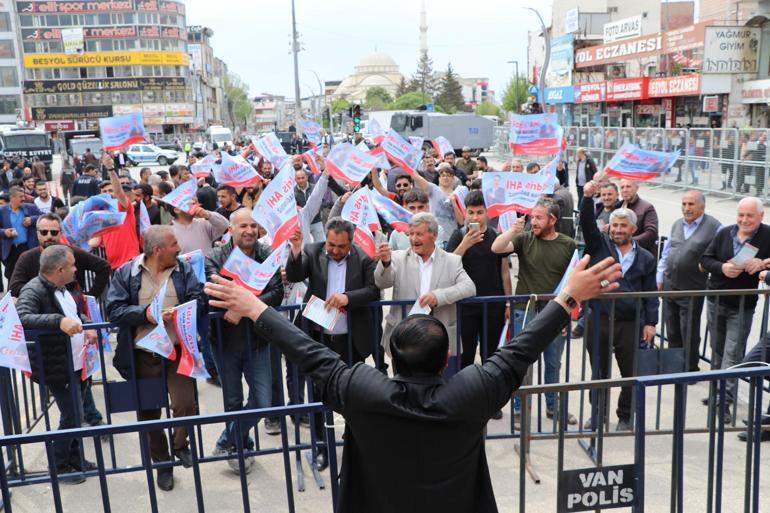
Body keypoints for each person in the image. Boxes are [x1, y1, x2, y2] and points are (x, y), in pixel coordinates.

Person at [204, 250, 621, 512]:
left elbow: (309, 354)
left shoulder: (363, 390)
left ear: (392, 357)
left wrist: (256, 308)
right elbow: (520, 350)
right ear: (445, 362)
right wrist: (568, 297)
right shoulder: (471, 391)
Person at [106, 225, 203, 492]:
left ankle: (180, 445)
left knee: (185, 404)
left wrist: (183, 311)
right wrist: (146, 314)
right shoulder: (126, 273)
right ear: (157, 250)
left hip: (176, 353)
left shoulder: (183, 269)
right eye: (174, 244)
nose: (179, 249)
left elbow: (199, 298)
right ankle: (162, 464)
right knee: (149, 415)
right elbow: (114, 310)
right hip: (142, 355)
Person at [285, 217, 380, 469]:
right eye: (331, 244)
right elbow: (295, 275)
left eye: (341, 246)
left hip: (350, 340)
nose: (335, 250)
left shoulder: (363, 258)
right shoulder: (313, 251)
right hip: (319, 338)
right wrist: (296, 249)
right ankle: (321, 446)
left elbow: (373, 290)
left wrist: (348, 298)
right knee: (319, 395)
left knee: (351, 393)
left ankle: (353, 443)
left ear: (351, 243)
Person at [204, 208, 283, 472]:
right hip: (224, 341)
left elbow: (277, 292)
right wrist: (244, 303)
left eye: (253, 226)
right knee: (233, 401)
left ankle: (227, 440)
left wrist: (243, 308)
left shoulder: (267, 255)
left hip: (258, 341)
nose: (249, 231)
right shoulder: (215, 257)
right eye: (243, 226)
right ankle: (240, 447)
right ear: (231, 230)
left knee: (263, 401)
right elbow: (214, 291)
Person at [491, 197, 578, 424]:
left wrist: (568, 315)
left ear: (553, 220)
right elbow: (497, 248)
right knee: (521, 362)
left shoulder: (568, 245)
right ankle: (519, 408)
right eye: (532, 217)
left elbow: (573, 280)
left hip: (555, 312)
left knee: (553, 363)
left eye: (539, 218)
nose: (534, 222)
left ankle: (553, 407)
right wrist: (513, 231)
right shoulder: (524, 238)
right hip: (525, 310)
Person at [580, 180, 658, 431]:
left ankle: (625, 417)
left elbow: (650, 293)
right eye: (615, 225)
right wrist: (587, 198)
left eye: (623, 226)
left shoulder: (646, 258)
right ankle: (597, 415)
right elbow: (587, 224)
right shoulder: (599, 246)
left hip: (630, 323)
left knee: (630, 372)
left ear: (633, 229)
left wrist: (650, 323)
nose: (618, 230)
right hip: (599, 318)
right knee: (599, 371)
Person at [17, 245, 99, 483]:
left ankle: (76, 459)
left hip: (77, 362)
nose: (76, 269)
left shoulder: (65, 288)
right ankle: (59, 466)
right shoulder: (33, 289)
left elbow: (75, 315)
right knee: (72, 415)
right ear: (60, 269)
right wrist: (58, 321)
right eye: (72, 265)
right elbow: (22, 317)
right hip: (57, 366)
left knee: (76, 414)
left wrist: (86, 325)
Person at [374, 212, 476, 368]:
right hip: (403, 340)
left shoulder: (452, 260)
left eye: (419, 234)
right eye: (411, 234)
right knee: (404, 383)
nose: (414, 239)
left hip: (438, 340)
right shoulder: (397, 258)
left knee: (441, 384)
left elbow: (469, 287)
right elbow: (382, 283)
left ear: (434, 235)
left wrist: (438, 296)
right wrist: (385, 263)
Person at [701, 197, 770, 422]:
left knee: (732, 355)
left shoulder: (767, 235)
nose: (744, 220)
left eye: (750, 215)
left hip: (742, 306)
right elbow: (705, 259)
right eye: (741, 215)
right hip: (716, 300)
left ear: (761, 216)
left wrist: (763, 263)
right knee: (717, 351)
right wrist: (722, 267)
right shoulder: (724, 233)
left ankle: (723, 402)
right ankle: (716, 393)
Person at [447, 191, 511, 419]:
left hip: (492, 305)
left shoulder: (496, 236)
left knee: (490, 355)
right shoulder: (458, 235)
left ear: (487, 213)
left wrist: (508, 303)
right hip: (465, 305)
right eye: (471, 212)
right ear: (465, 213)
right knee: (465, 355)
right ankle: (467, 400)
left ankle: (491, 402)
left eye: (480, 212)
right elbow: (449, 264)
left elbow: (505, 272)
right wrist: (465, 243)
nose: (475, 217)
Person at [657, 191, 722, 372]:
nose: (686, 208)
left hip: (692, 287)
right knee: (672, 329)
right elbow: (666, 252)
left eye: (691, 204)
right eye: (684, 204)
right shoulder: (677, 224)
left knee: (689, 331)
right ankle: (674, 367)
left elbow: (722, 252)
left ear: (702, 206)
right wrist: (659, 276)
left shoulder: (715, 227)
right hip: (670, 284)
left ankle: (690, 369)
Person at [0, 187, 41, 286]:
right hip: (11, 250)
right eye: (20, 197)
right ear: (12, 198)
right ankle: (13, 294)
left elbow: (45, 217)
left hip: (27, 247)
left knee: (31, 275)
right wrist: (4, 232)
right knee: (12, 277)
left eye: (24, 196)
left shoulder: (31, 208)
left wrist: (32, 220)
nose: (23, 199)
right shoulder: (2, 211)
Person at [618, 179, 659, 256]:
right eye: (622, 187)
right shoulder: (618, 206)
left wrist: (629, 242)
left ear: (637, 188)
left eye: (628, 186)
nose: (625, 190)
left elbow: (651, 233)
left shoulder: (647, 207)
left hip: (640, 254)